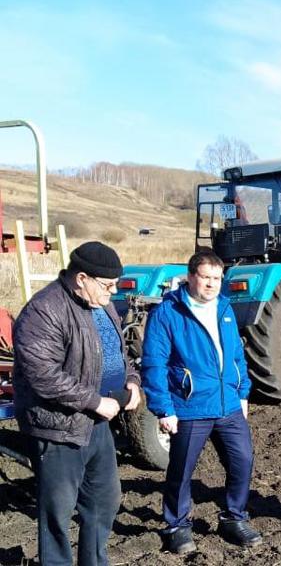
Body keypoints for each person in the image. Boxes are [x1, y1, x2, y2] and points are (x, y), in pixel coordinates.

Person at [13, 241, 142, 566]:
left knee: (104, 500)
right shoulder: (44, 311)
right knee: (57, 511)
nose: (113, 292)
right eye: (108, 285)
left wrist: (132, 381)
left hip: (97, 424)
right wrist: (94, 401)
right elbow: (43, 375)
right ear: (81, 277)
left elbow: (118, 353)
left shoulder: (103, 305)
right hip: (58, 428)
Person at [141, 250, 260, 554]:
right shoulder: (167, 313)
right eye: (206, 277)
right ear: (191, 276)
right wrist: (163, 409)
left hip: (229, 405)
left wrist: (242, 392)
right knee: (181, 470)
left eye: (217, 278)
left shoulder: (224, 308)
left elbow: (236, 355)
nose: (211, 284)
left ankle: (234, 517)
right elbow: (154, 364)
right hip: (191, 405)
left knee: (242, 461)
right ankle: (177, 525)